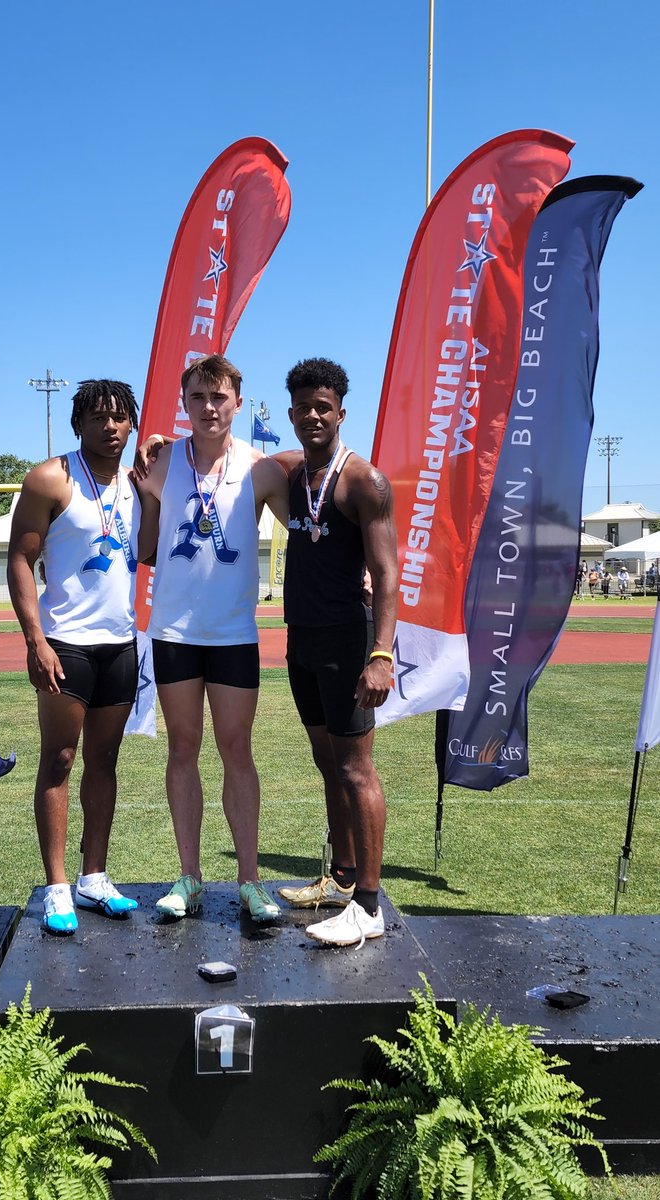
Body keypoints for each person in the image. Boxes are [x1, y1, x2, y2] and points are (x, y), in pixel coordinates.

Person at [136, 353, 294, 924]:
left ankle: (250, 880)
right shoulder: (159, 464)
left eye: (219, 397)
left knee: (237, 751)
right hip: (174, 632)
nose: (209, 407)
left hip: (232, 634)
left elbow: (304, 521)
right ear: (185, 404)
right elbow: (147, 549)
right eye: (198, 398)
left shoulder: (262, 469)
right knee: (183, 749)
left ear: (238, 404)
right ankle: (189, 877)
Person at [7, 379, 146, 936]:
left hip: (120, 643)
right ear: (78, 424)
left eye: (119, 418)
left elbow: (153, 550)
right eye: (97, 418)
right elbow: (20, 559)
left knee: (105, 764)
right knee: (60, 759)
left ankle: (94, 877)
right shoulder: (51, 477)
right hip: (65, 643)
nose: (110, 427)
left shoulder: (139, 481)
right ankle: (58, 886)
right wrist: (34, 640)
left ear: (131, 423)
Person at [273, 358, 398, 948]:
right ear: (292, 413)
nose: (313, 416)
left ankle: (369, 906)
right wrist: (168, 444)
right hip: (303, 641)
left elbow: (388, 575)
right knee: (328, 764)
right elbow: (230, 456)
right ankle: (344, 878)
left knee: (356, 767)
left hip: (350, 639)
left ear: (341, 413)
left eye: (324, 407)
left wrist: (381, 653)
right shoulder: (292, 473)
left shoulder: (363, 481)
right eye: (303, 407)